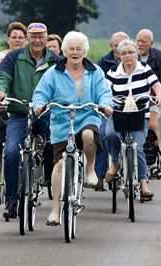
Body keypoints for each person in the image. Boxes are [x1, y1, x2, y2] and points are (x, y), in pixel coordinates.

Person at [32, 31, 113, 225]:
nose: (75, 52)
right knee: (59, 165)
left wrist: (105, 104)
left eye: (79, 49)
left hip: (87, 115)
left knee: (88, 135)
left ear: (84, 51)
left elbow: (104, 92)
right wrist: (39, 105)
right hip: (62, 121)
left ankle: (91, 169)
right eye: (71, 49)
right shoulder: (53, 72)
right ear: (64, 50)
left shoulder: (95, 72)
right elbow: (41, 92)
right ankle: (54, 210)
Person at [0, 22, 61, 219]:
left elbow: (64, 81)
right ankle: (12, 199)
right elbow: (2, 77)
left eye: (41, 36)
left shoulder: (55, 59)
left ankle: (49, 179)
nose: (38, 40)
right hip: (20, 112)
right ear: (27, 38)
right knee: (12, 151)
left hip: (46, 112)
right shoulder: (14, 57)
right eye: (34, 36)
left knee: (52, 143)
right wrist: (0, 91)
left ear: (47, 38)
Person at [104, 39, 161, 201]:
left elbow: (157, 85)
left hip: (139, 115)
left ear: (137, 53)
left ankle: (144, 184)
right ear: (118, 56)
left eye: (131, 52)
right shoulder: (113, 73)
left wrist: (158, 95)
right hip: (118, 114)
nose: (128, 56)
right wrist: (105, 103)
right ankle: (115, 163)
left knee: (137, 148)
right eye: (123, 53)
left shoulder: (145, 69)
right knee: (109, 135)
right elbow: (104, 91)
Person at [0, 22, 27, 205]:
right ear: (8, 39)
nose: (17, 40)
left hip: (22, 109)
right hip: (2, 108)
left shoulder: (28, 58)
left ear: (25, 40)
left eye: (20, 37)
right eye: (14, 37)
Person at [96, 31, 129, 189]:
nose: (119, 49)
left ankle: (140, 169)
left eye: (123, 45)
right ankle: (100, 174)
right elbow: (99, 86)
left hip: (131, 110)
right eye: (116, 46)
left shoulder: (136, 63)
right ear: (111, 46)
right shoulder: (104, 63)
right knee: (102, 133)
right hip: (109, 108)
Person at [136, 29, 161, 145]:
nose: (140, 44)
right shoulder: (131, 55)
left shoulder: (159, 56)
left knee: (152, 124)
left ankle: (153, 154)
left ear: (151, 43)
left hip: (153, 98)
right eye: (138, 41)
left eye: (144, 41)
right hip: (134, 98)